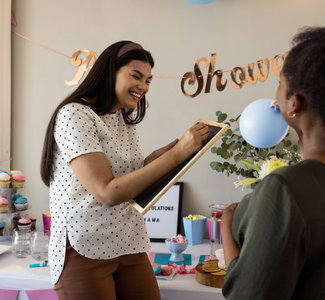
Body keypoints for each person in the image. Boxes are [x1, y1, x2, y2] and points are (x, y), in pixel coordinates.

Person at [40, 40, 209, 300]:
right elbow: (107, 192)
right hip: (84, 246)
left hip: (128, 240)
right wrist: (177, 153)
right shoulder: (74, 114)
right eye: (136, 76)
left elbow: (126, 176)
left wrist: (161, 157)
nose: (143, 86)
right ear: (110, 72)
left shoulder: (122, 118)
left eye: (149, 80)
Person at [220, 27, 325, 300]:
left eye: (279, 85)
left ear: (294, 103)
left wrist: (226, 227)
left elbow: (247, 293)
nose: (275, 96)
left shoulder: (285, 189)